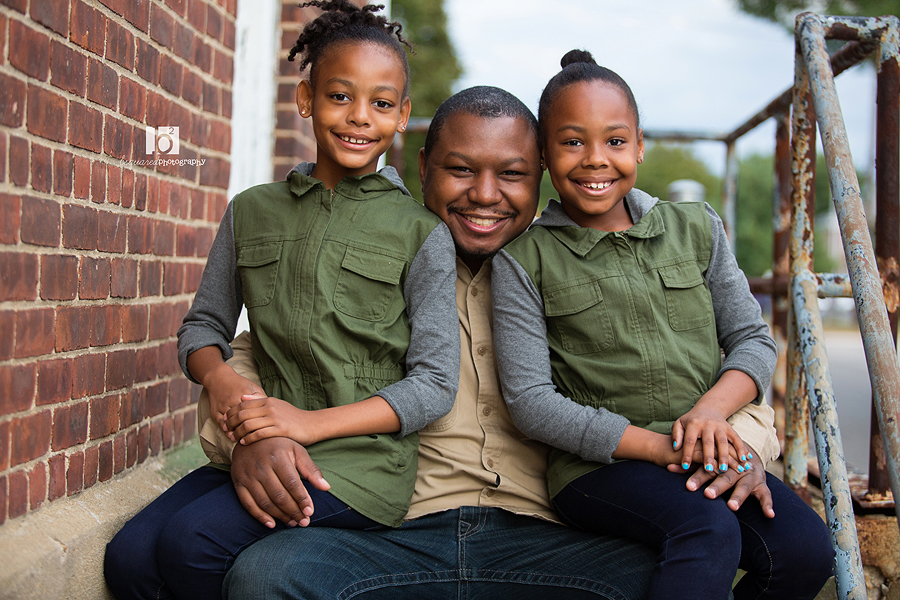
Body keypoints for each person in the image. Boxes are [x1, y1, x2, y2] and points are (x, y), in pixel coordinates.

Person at [219, 86, 787, 600]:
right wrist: (249, 436)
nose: (484, 196)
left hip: (551, 535)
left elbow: (699, 371)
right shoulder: (383, 255)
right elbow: (256, 350)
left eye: (512, 174)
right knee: (264, 576)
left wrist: (737, 450)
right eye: (460, 171)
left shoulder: (569, 270)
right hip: (397, 531)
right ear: (424, 167)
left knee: (692, 567)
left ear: (541, 173)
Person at [103, 2, 459, 598]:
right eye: (340, 96)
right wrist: (220, 380)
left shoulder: (421, 233)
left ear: (402, 116)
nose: (359, 116)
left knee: (192, 545)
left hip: (358, 463)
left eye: (381, 103)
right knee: (129, 559)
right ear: (306, 99)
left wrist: (306, 424)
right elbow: (202, 326)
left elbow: (434, 383)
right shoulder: (252, 210)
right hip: (259, 442)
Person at [490, 50, 834, 599]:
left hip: (708, 443)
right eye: (572, 142)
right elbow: (531, 402)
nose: (595, 159)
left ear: (640, 146)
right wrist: (659, 449)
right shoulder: (524, 259)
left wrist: (712, 414)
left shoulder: (696, 227)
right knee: (708, 529)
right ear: (544, 155)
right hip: (601, 466)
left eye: (615, 141)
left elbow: (751, 340)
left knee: (806, 550)